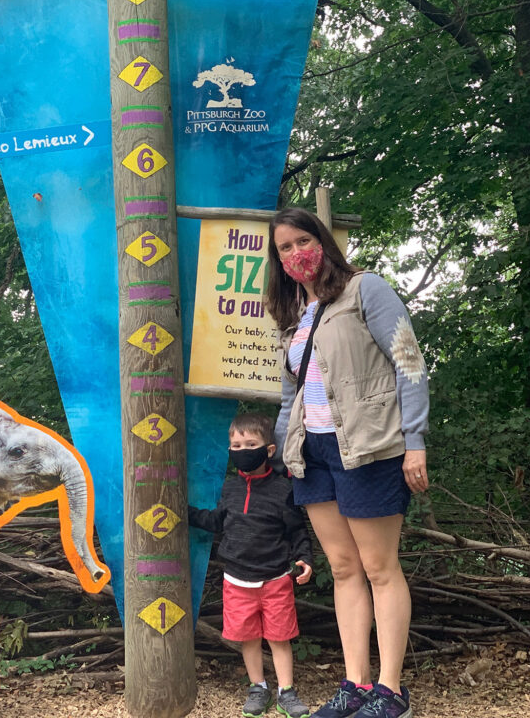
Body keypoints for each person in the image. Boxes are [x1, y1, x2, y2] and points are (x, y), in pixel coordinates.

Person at [267, 208, 429, 718]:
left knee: (380, 568)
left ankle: (390, 690)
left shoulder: (366, 290)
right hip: (312, 455)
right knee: (342, 568)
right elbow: (291, 396)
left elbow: (408, 360)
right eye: (285, 248)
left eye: (302, 241)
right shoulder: (293, 314)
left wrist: (415, 439)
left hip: (369, 447)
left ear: (323, 240)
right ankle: (355, 685)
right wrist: (282, 447)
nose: (296, 253)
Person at [189, 412, 313, 718]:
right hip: (236, 579)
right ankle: (258, 687)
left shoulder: (284, 489)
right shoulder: (229, 488)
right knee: (248, 638)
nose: (243, 450)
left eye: (250, 444)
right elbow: (217, 521)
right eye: (236, 445)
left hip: (276, 579)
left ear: (269, 450)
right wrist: (183, 512)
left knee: (279, 637)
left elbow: (297, 529)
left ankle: (287, 691)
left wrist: (305, 559)